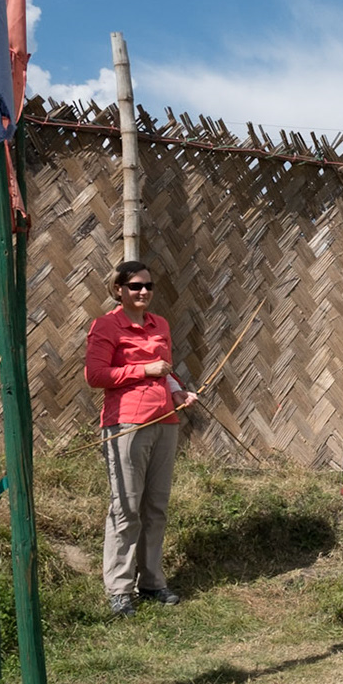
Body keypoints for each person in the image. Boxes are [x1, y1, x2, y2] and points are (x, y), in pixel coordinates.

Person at [85, 260, 193, 617]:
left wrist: (178, 392)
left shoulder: (160, 324)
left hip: (165, 421)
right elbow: (95, 375)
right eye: (135, 286)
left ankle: (151, 581)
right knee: (126, 507)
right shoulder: (106, 326)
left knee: (156, 506)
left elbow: (167, 371)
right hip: (126, 424)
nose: (143, 291)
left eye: (148, 285)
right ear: (119, 290)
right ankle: (119, 588)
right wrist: (143, 370)